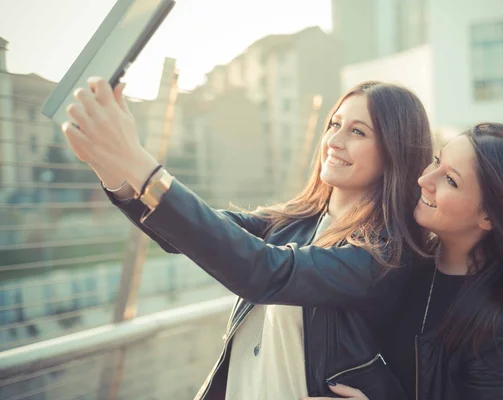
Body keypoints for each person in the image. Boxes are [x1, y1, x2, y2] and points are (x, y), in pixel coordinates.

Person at [60, 78, 433, 399]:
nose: (334, 140)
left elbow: (264, 272)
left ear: (393, 152)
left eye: (357, 131)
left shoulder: (383, 253)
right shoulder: (292, 221)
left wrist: (140, 163)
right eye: (334, 124)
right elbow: (190, 234)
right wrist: (109, 164)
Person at [308, 123, 503, 400]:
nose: (424, 180)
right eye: (437, 161)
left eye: (450, 180)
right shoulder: (406, 263)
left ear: (489, 217)